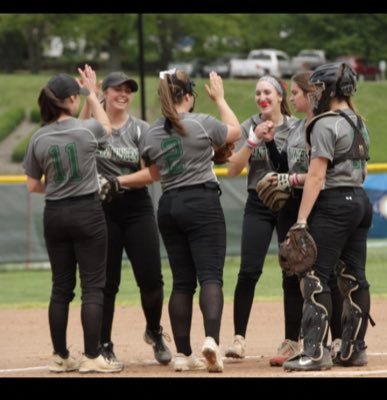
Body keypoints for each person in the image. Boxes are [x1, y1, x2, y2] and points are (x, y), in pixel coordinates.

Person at [139, 69, 241, 372]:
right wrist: (220, 99)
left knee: (182, 282)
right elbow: (235, 130)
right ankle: (211, 340)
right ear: (187, 96)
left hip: (169, 204)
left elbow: (150, 166)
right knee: (210, 276)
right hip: (201, 202)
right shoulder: (200, 122)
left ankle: (182, 354)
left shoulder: (151, 132)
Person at [23, 70, 122, 373]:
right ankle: (92, 356)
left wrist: (55, 186)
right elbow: (106, 127)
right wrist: (92, 92)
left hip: (54, 213)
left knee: (61, 287)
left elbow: (32, 185)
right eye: (75, 96)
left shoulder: (39, 136)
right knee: (93, 286)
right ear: (69, 100)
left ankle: (60, 355)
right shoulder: (86, 131)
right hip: (86, 212)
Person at [283, 62, 373, 371]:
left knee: (313, 277)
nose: (315, 94)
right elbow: (363, 169)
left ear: (331, 91)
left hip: (334, 203)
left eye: (319, 88)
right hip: (360, 200)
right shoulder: (359, 121)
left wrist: (301, 220)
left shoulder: (324, 123)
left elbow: (317, 176)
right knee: (352, 277)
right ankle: (353, 349)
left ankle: (315, 351)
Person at [80, 70, 172, 367]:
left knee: (152, 279)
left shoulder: (140, 129)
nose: (123, 94)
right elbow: (77, 132)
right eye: (116, 89)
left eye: (128, 90)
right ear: (104, 93)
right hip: (102, 210)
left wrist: (119, 182)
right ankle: (104, 343)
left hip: (136, 207)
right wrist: (87, 94)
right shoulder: (94, 127)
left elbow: (153, 173)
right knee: (107, 282)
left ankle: (155, 331)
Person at [256, 71, 344, 366]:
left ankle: (337, 339)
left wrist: (291, 179)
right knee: (291, 276)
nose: (291, 98)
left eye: (295, 93)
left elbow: (323, 174)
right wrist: (269, 144)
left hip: (317, 207)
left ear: (310, 95)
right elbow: (284, 164)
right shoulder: (295, 129)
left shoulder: (321, 127)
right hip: (289, 209)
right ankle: (294, 341)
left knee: (324, 275)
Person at [225, 75, 297, 360]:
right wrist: (253, 140)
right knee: (248, 271)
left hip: (288, 203)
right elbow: (232, 169)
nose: (261, 97)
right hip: (258, 201)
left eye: (267, 92)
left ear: (280, 96)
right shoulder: (248, 126)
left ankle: (291, 340)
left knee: (291, 271)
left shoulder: (295, 128)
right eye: (257, 93)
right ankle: (239, 339)